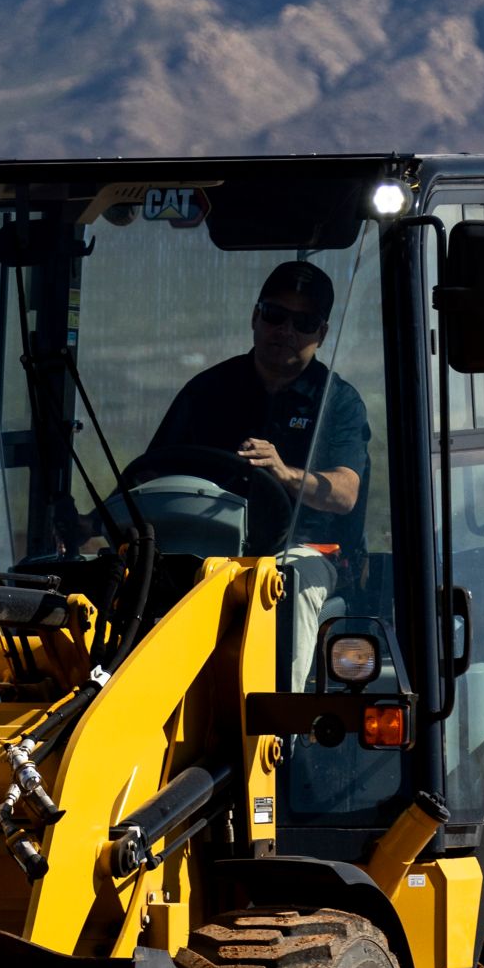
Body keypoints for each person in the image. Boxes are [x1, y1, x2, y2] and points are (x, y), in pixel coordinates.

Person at [146, 259, 372, 687]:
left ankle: (280, 730)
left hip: (314, 553)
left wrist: (285, 474)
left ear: (321, 335)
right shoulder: (208, 391)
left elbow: (344, 492)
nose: (285, 330)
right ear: (255, 316)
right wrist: (90, 524)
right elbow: (153, 473)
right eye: (275, 315)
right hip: (208, 548)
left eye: (303, 322)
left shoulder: (338, 403)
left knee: (287, 581)